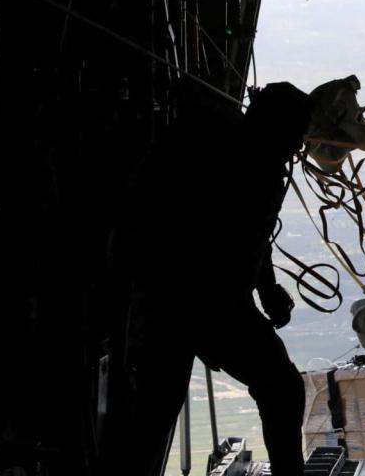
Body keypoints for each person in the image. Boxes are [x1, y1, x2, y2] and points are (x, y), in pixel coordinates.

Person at [109, 83, 313, 476]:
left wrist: (266, 287)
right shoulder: (230, 157)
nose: (296, 147)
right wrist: (261, 290)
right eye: (294, 134)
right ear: (275, 127)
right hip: (188, 301)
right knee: (279, 388)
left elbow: (254, 234)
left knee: (153, 415)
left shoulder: (251, 158)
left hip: (194, 302)